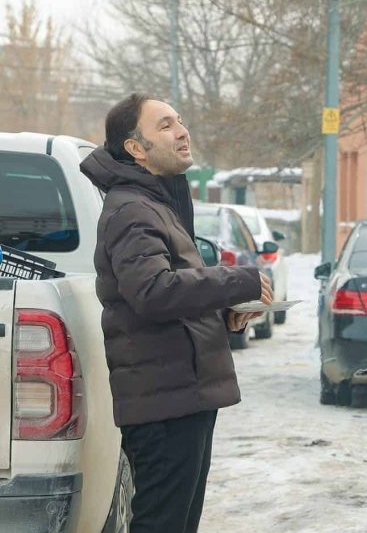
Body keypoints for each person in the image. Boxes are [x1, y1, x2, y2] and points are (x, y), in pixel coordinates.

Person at [80, 93, 273, 533]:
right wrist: (235, 281)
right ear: (136, 147)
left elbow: (164, 298)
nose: (182, 131)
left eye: (180, 121)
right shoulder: (132, 209)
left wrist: (224, 316)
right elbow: (153, 292)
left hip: (183, 395)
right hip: (163, 403)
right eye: (165, 125)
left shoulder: (154, 204)